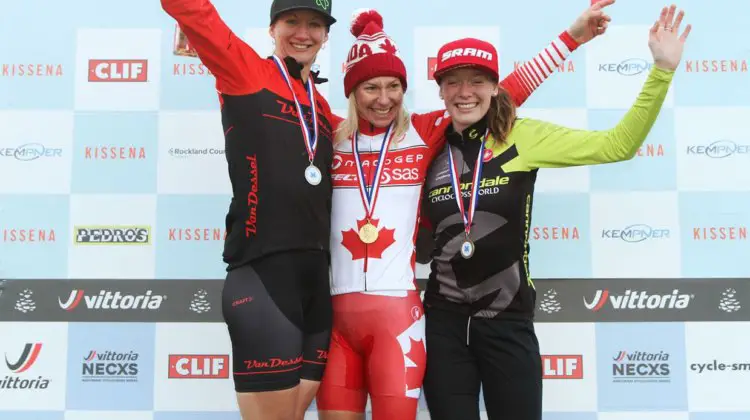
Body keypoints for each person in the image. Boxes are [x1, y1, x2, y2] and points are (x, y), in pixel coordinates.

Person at [316, 2, 615, 419]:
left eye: (393, 86)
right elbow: (277, 106)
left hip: (399, 316)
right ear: (351, 91)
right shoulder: (330, 135)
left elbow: (500, 93)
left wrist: (571, 38)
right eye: (370, 87)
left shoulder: (421, 131)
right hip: (339, 316)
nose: (383, 100)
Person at [418, 4, 691, 420]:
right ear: (440, 91)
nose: (464, 91)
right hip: (443, 325)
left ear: (495, 87)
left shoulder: (522, 136)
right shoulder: (430, 144)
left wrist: (662, 71)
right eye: (452, 82)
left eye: (477, 80)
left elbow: (619, 145)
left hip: (507, 322)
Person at [160, 0, 338, 419]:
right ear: (272, 28)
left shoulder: (323, 110)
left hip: (316, 288)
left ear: (326, 36)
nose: (303, 32)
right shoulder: (245, 71)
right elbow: (192, 13)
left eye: (314, 24)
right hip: (264, 279)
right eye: (291, 21)